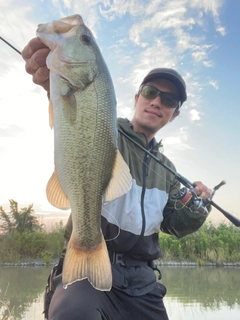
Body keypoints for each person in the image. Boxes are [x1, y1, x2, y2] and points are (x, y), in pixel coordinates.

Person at [22, 38, 212, 320]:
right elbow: (78, 111)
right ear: (137, 98)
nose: (157, 101)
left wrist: (198, 206)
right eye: (150, 92)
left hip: (142, 282)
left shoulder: (169, 171)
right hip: (86, 273)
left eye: (168, 100)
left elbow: (174, 224)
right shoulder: (106, 129)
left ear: (175, 114)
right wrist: (57, 82)